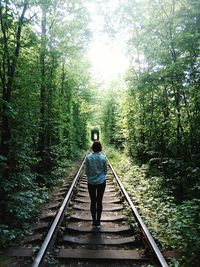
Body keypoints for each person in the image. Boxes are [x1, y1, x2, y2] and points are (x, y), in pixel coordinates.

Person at [85, 141, 107, 228]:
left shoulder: (88, 157)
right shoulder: (103, 158)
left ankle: (94, 221)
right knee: (99, 201)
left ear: (93, 148)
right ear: (100, 148)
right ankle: (98, 221)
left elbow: (86, 172)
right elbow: (105, 172)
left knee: (93, 201)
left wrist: (92, 177)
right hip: (101, 182)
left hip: (91, 182)